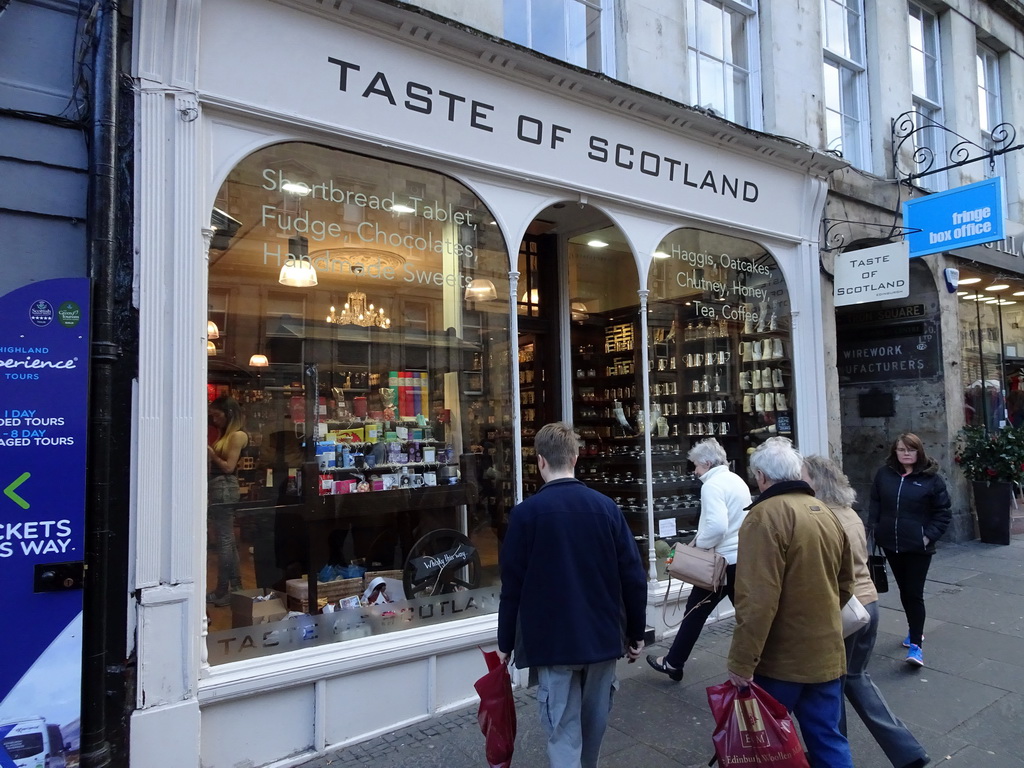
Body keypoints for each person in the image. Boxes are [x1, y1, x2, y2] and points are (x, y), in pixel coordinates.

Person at [497, 422, 647, 768]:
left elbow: (512, 588)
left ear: (540, 462)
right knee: (593, 730)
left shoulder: (525, 515)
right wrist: (635, 634)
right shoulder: (606, 508)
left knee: (563, 733)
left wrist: (505, 644)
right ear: (576, 458)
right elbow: (634, 578)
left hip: (553, 642)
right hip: (602, 635)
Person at [726, 437, 855, 768]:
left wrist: (742, 662)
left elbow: (757, 599)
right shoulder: (825, 511)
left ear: (761, 476)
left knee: (768, 746)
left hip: (782, 659)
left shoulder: (764, 516)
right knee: (828, 738)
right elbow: (846, 584)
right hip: (825, 650)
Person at [803, 455, 930, 768]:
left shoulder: (824, 517)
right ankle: (907, 751)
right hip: (867, 604)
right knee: (854, 678)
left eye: (803, 477)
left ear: (816, 482)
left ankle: (831, 754)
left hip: (846, 608)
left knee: (831, 682)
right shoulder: (847, 512)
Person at [646, 438, 751, 682]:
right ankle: (674, 662)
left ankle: (673, 663)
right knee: (746, 617)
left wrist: (698, 545)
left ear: (707, 463)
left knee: (694, 613)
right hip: (738, 560)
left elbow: (717, 525)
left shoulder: (712, 486)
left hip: (719, 564)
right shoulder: (736, 480)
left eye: (695, 466)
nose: (694, 471)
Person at [868, 433, 951, 667]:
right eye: (901, 449)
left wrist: (927, 537)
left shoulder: (930, 479)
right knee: (904, 591)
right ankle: (915, 628)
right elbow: (875, 502)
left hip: (917, 547)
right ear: (895, 451)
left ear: (919, 452)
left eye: (911, 449)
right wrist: (874, 528)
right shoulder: (885, 475)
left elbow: (943, 512)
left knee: (914, 593)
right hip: (891, 544)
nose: (906, 453)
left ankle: (916, 646)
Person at [207, 395, 249, 607]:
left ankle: (225, 589)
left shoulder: (237, 436)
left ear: (229, 414)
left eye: (217, 416)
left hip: (224, 487)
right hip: (219, 487)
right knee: (228, 542)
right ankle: (236, 588)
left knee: (224, 541)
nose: (215, 421)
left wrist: (211, 454)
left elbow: (228, 467)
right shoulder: (227, 435)